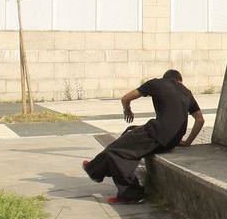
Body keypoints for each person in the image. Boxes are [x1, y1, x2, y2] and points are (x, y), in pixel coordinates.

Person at [84, 69, 203, 204]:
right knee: (129, 133)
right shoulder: (186, 92)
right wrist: (187, 142)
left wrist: (127, 110)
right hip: (172, 140)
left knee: (116, 152)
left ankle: (131, 193)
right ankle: (95, 169)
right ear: (180, 81)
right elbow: (200, 120)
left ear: (164, 78)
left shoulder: (156, 84)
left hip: (157, 133)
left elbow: (126, 98)